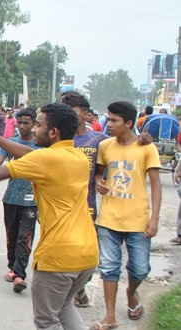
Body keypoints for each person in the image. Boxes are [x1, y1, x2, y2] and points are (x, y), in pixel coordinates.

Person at [0, 103, 99, 329]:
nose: (34, 129)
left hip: (59, 257)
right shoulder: (76, 157)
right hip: (87, 253)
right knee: (65, 307)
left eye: (39, 125)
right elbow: (30, 153)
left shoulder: (46, 160)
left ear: (53, 132)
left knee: (47, 321)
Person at [93, 101, 162, 330]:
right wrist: (98, 182)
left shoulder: (146, 148)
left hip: (138, 219)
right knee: (109, 267)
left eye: (114, 120)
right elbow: (99, 173)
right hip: (109, 218)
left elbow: (155, 184)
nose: (109, 124)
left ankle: (131, 293)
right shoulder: (105, 145)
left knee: (140, 269)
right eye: (108, 119)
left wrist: (154, 219)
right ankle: (110, 315)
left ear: (129, 123)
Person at [0, 108, 39, 292]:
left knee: (25, 237)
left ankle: (19, 274)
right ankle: (13, 266)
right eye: (19, 123)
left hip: (31, 200)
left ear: (34, 124)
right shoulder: (10, 143)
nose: (22, 126)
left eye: (26, 123)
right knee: (11, 235)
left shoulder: (42, 147)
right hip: (11, 197)